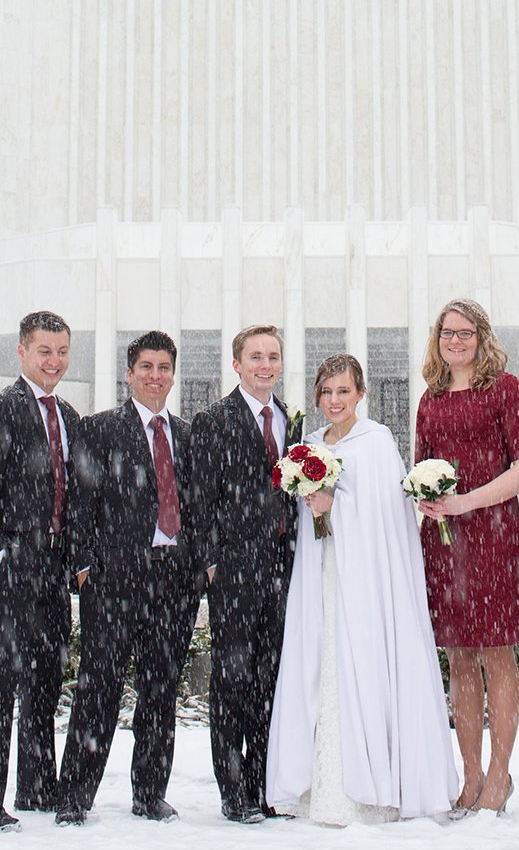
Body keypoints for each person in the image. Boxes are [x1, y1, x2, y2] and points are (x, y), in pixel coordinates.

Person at [267, 355, 458, 824]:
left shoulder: (376, 442)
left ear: (360, 394)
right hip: (321, 574)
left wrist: (336, 504)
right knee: (319, 664)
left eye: (344, 391)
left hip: (365, 580)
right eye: (327, 392)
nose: (335, 401)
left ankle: (373, 784)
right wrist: (316, 503)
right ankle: (320, 784)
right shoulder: (306, 447)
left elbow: (385, 520)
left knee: (361, 663)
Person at [54, 332, 201, 826]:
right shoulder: (99, 429)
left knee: (161, 691)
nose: (155, 375)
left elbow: (198, 507)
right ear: (129, 372)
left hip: (174, 580)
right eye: (146, 367)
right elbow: (80, 504)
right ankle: (74, 795)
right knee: (99, 689)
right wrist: (84, 567)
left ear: (172, 374)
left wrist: (198, 567)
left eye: (163, 367)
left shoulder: (187, 433)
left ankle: (149, 793)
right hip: (114, 582)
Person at [414, 299, 519, 817]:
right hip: (444, 543)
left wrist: (468, 500)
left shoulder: (505, 390)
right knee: (460, 657)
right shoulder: (430, 399)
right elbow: (420, 465)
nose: (456, 341)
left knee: (497, 651)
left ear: (482, 337)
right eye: (448, 333)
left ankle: (499, 776)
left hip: (492, 535)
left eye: (466, 333)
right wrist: (425, 499)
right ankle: (470, 776)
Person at [0, 311, 79, 832]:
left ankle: (35, 785)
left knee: (46, 679)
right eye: (43, 352)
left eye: (60, 352)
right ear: (22, 352)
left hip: (54, 568)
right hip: (9, 568)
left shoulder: (71, 417)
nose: (53, 362)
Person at [189, 324, 302, 823]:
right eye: (255, 356)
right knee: (232, 681)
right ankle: (233, 790)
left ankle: (263, 784)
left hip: (283, 569)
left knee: (271, 680)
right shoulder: (214, 419)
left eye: (273, 356)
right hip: (233, 572)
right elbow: (199, 498)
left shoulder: (289, 420)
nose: (265, 364)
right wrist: (213, 563)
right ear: (237, 364)